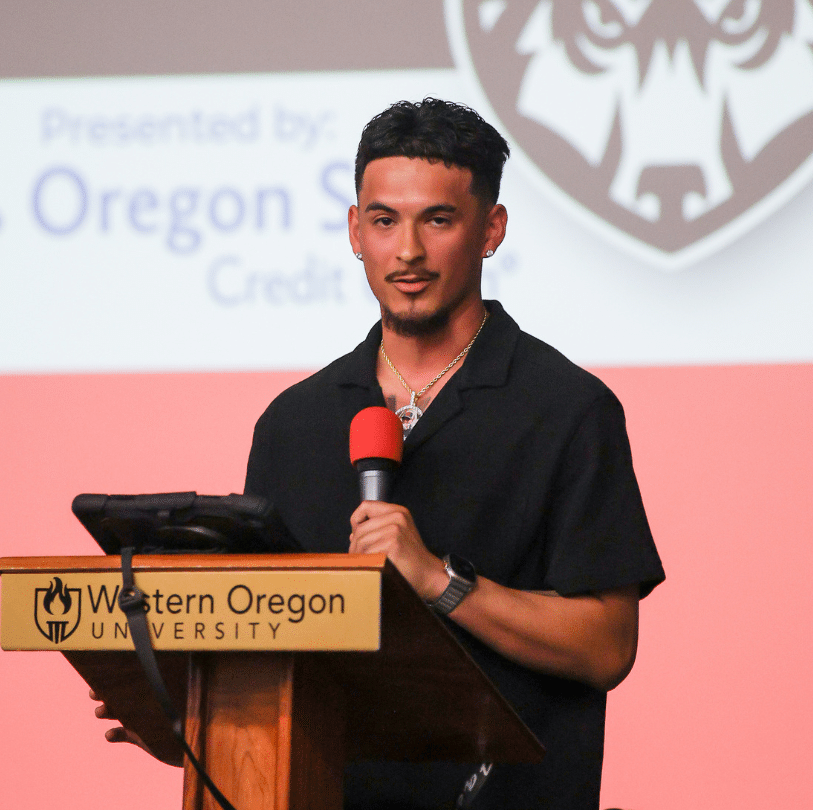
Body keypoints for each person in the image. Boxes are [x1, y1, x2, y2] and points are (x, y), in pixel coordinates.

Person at [98, 98, 664, 810]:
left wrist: (438, 581)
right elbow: (276, 640)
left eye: (438, 219)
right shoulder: (293, 422)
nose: (408, 252)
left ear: (491, 230)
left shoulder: (568, 410)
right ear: (353, 230)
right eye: (384, 220)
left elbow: (607, 646)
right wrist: (186, 722)